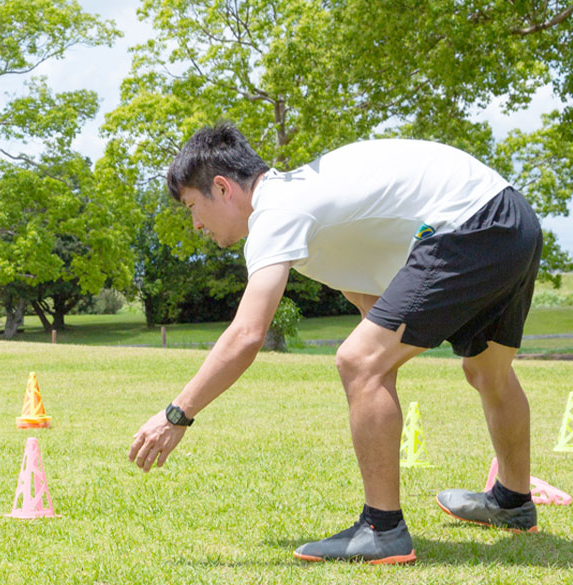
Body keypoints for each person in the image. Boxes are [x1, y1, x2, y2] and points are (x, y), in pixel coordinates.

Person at [128, 122, 542, 564]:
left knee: (358, 361)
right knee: (486, 370)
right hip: (512, 221)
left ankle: (382, 530)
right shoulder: (309, 202)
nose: (195, 224)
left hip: (471, 225)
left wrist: (177, 415)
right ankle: (512, 502)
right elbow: (371, 299)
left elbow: (248, 334)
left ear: (222, 187)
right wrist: (380, 367)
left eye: (193, 206)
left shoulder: (276, 210)